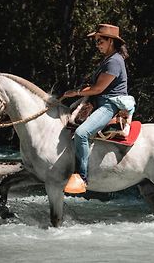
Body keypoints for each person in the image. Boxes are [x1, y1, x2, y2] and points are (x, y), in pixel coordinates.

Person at [63, 24, 135, 193]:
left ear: (110, 41)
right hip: (100, 101)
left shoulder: (114, 61)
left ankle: (82, 177)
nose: (97, 45)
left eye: (99, 41)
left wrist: (75, 92)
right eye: (96, 42)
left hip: (110, 104)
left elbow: (98, 88)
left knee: (81, 133)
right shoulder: (108, 59)